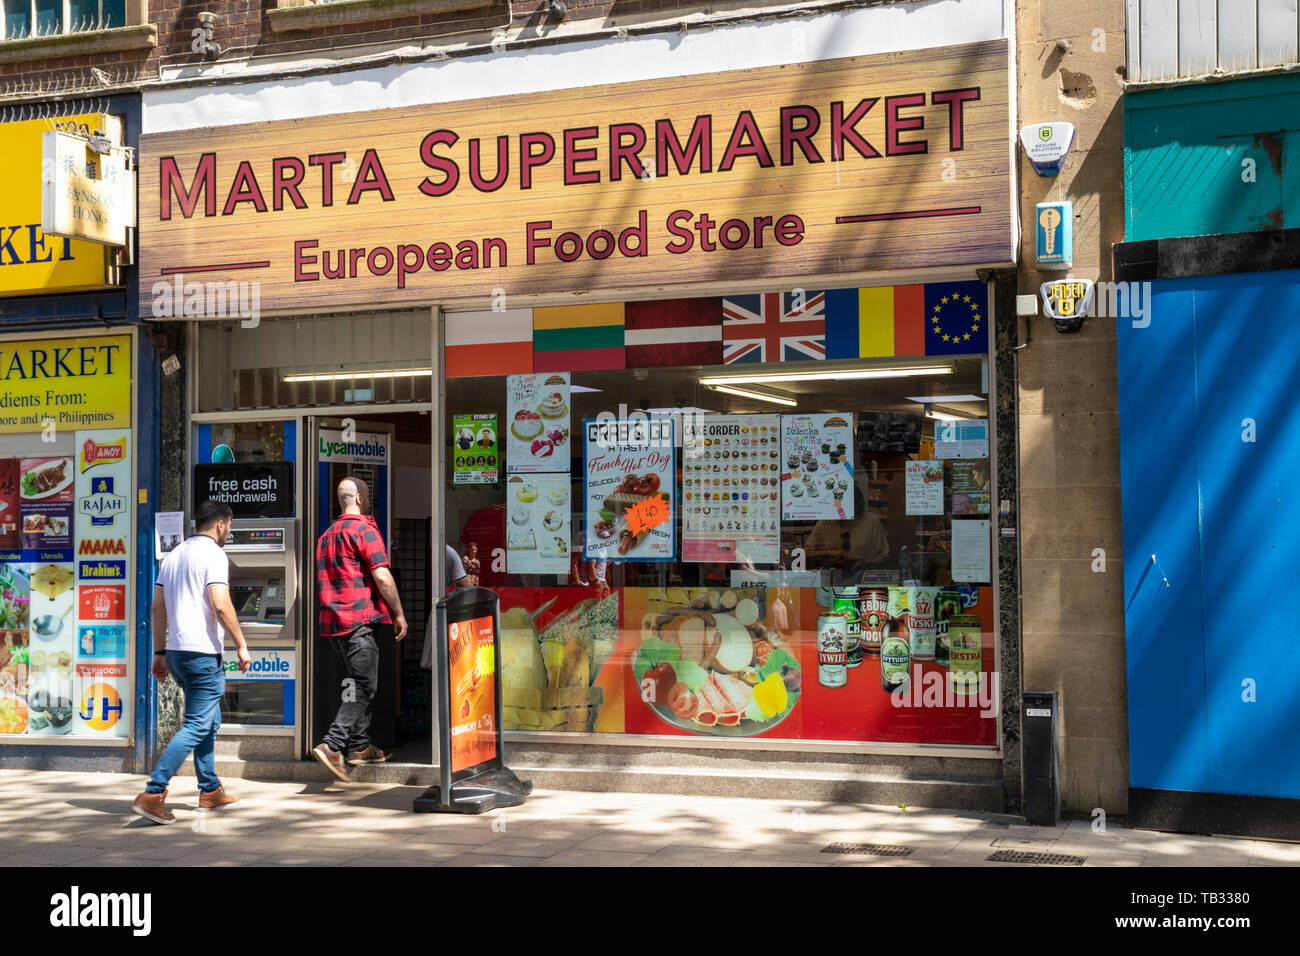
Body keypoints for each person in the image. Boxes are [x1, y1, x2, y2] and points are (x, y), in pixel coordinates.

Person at [131, 499, 251, 825]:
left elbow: (158, 608)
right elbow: (221, 603)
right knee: (197, 724)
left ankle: (210, 790)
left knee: (208, 721)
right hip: (201, 654)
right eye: (230, 527)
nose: (228, 532)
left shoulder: (175, 555)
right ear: (221, 525)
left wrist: (159, 653)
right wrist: (241, 644)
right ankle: (153, 793)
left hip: (177, 653)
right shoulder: (213, 554)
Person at [311, 476, 408, 782]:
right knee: (364, 686)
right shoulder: (364, 530)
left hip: (333, 624)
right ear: (362, 500)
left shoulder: (325, 536)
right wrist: (399, 613)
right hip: (358, 622)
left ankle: (361, 747)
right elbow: (381, 576)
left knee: (356, 683)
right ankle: (333, 745)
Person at [803, 482, 891, 582]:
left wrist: (866, 563)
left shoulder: (871, 521)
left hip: (862, 581)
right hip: (830, 581)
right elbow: (805, 554)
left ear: (857, 504)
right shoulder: (825, 522)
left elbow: (884, 556)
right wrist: (827, 554)